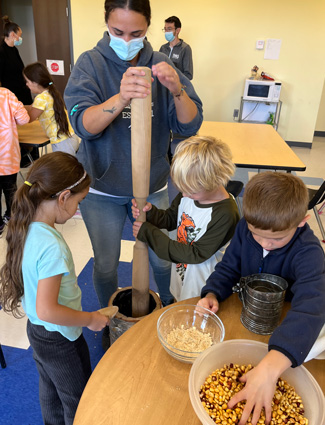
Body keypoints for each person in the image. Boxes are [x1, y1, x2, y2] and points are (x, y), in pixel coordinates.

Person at [64, 0, 203, 332]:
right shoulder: (90, 63)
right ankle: (110, 323)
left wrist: (177, 89)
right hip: (102, 186)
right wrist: (121, 98)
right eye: (118, 32)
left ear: (149, 29)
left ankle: (168, 311)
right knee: (107, 262)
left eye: (136, 33)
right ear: (107, 25)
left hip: (152, 186)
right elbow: (82, 124)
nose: (126, 40)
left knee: (161, 256)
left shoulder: (162, 63)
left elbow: (189, 125)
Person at [197, 172, 325, 425]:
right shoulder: (245, 227)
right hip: (243, 317)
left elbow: (312, 307)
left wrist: (270, 367)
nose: (265, 243)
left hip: (284, 327)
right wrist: (213, 291)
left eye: (277, 238)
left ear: (302, 221)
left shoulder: (309, 252)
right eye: (257, 234)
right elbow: (229, 266)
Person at [0, 152, 108, 425]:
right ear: (63, 197)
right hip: (59, 338)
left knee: (49, 390)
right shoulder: (52, 246)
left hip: (37, 332)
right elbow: (48, 310)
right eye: (78, 202)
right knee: (77, 399)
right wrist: (91, 319)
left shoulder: (26, 226)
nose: (76, 210)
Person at [132, 136, 239, 301]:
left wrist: (149, 233)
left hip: (203, 284)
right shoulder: (190, 194)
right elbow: (170, 218)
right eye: (182, 189)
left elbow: (195, 254)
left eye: (191, 191)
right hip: (183, 271)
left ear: (214, 181)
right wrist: (151, 213)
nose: (184, 195)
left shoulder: (225, 214)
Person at [0, 16, 38, 165]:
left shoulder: (13, 49)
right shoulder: (1, 52)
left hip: (23, 90)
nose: (20, 38)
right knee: (20, 124)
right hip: (12, 95)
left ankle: (33, 153)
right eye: (19, 35)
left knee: (30, 120)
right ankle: (23, 156)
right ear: (13, 34)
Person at [23, 62, 79, 155]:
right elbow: (33, 107)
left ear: (35, 82)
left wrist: (14, 109)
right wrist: (20, 106)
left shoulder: (41, 98)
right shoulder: (50, 93)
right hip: (69, 138)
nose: (26, 84)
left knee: (64, 169)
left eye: (27, 81)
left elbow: (28, 118)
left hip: (62, 143)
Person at [0, 87, 30, 236]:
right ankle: (11, 216)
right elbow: (24, 119)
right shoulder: (6, 94)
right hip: (7, 154)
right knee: (9, 187)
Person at [159, 16, 193, 80]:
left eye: (169, 29)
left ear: (177, 30)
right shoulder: (163, 48)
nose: (166, 32)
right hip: (163, 87)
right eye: (165, 29)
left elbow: (188, 75)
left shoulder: (185, 48)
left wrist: (174, 77)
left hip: (177, 88)